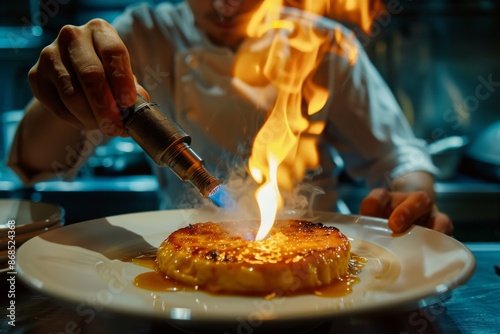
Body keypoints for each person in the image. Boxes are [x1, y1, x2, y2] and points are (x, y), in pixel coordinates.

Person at [7, 0, 453, 235]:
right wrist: (64, 93)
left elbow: (399, 157)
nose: (226, 4)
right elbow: (38, 164)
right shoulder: (142, 34)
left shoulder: (323, 42)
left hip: (322, 273)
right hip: (179, 271)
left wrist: (411, 195)